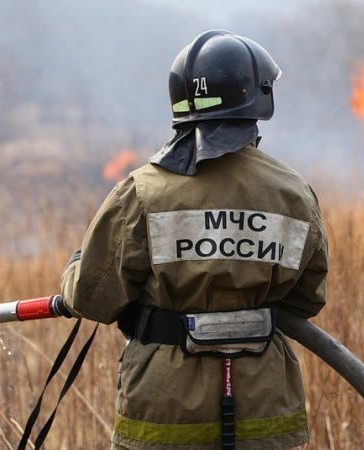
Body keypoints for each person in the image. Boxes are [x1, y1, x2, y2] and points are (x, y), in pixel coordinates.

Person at [60, 30, 328, 450]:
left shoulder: (142, 192)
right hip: (264, 412)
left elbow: (91, 297)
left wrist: (77, 265)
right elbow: (306, 301)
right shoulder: (293, 193)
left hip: (164, 415)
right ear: (258, 96)